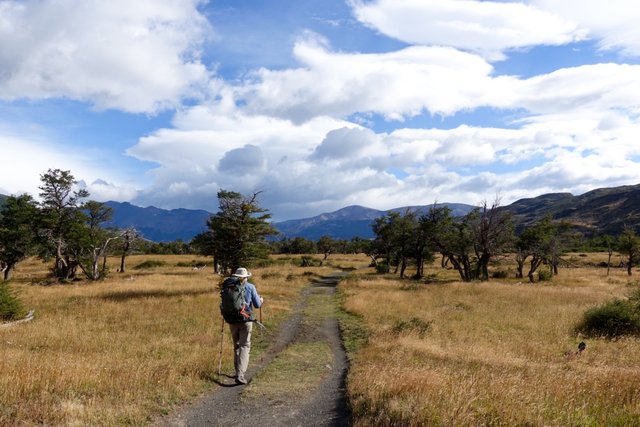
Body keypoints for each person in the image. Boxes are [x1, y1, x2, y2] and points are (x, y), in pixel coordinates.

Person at [227, 267, 263, 385]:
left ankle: (238, 371)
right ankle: (240, 375)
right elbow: (257, 305)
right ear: (246, 277)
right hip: (246, 319)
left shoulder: (230, 286)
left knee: (236, 346)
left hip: (232, 320)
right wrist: (261, 300)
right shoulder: (250, 287)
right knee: (245, 346)